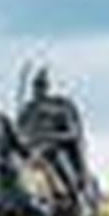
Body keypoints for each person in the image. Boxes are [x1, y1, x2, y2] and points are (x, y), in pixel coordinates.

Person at [15, 68, 87, 201]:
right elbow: (20, 134)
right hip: (31, 152)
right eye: (36, 86)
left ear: (47, 87)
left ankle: (73, 194)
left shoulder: (59, 107)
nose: (38, 90)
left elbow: (72, 133)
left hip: (54, 149)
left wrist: (49, 136)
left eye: (41, 86)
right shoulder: (27, 110)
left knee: (56, 158)